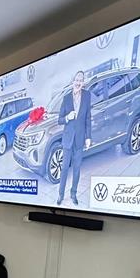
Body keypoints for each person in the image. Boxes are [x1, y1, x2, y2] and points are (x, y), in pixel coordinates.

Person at [57, 70, 92, 206]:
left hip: (80, 138)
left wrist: (88, 137)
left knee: (77, 168)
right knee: (65, 168)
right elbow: (59, 120)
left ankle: (73, 194)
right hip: (68, 139)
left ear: (83, 82)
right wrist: (67, 118)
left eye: (80, 80)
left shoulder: (87, 96)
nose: (78, 82)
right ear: (73, 82)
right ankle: (60, 195)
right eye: (76, 79)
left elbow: (88, 117)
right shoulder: (66, 98)